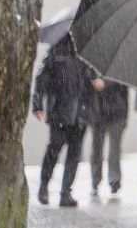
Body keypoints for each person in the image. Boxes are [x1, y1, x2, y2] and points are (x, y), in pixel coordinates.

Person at [32, 34, 99, 207]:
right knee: (54, 147)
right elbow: (41, 78)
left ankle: (65, 192)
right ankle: (44, 186)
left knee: (74, 152)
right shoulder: (56, 51)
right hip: (60, 110)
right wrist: (37, 104)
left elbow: (93, 77)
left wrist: (95, 79)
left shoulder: (88, 54)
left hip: (81, 112)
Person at [89, 77, 128, 196]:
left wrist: (105, 83)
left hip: (117, 109)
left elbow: (125, 80)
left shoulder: (121, 68)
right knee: (97, 147)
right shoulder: (92, 69)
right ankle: (96, 179)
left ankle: (114, 179)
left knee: (114, 148)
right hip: (98, 109)